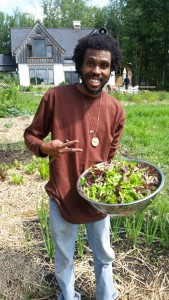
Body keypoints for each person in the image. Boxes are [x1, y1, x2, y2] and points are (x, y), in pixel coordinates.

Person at [24, 28, 125, 300]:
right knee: (65, 258)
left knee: (104, 256)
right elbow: (30, 135)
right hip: (63, 193)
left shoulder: (116, 110)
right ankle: (67, 296)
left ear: (111, 68)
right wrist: (44, 147)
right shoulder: (55, 98)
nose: (96, 70)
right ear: (80, 64)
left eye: (104, 65)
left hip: (97, 201)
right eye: (90, 63)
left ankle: (107, 296)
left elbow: (110, 156)